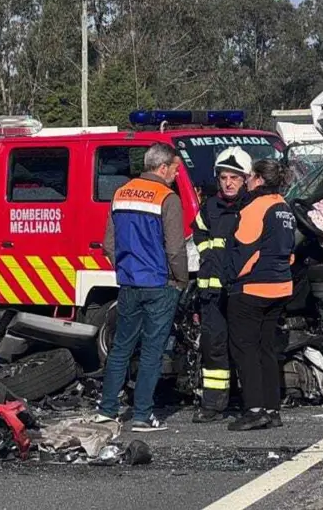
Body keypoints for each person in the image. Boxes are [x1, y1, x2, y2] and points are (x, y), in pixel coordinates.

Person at [95, 143, 189, 432]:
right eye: (174, 168)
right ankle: (142, 415)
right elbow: (175, 249)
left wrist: (123, 268)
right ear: (162, 168)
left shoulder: (120, 194)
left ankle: (107, 409)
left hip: (129, 283)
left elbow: (109, 243)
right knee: (152, 351)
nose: (175, 173)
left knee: (121, 347)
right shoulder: (167, 198)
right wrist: (181, 280)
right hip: (160, 283)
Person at [222, 158, 295, 432]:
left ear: (260, 179)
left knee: (245, 350)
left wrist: (229, 278)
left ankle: (254, 410)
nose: (247, 180)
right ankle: (272, 409)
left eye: (250, 176)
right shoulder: (284, 207)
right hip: (280, 285)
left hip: (252, 287)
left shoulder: (256, 206)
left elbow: (243, 247)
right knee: (268, 349)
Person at [192, 146, 253, 423]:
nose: (228, 183)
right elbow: (198, 231)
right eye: (224, 178)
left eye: (234, 178)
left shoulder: (251, 207)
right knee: (213, 347)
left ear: (245, 179)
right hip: (212, 292)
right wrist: (207, 254)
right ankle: (213, 405)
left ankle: (248, 402)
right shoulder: (210, 208)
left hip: (242, 291)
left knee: (243, 346)